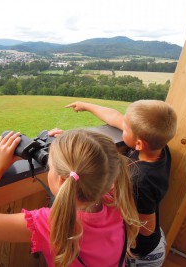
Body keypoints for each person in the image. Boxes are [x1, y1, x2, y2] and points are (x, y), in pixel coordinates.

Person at [0, 129, 140, 267]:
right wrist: (78, 149)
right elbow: (93, 168)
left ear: (61, 179)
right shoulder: (115, 198)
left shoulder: (50, 224)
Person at [65, 100, 177, 266]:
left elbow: (145, 229)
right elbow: (115, 116)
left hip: (140, 254)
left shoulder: (140, 181)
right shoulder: (158, 146)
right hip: (152, 243)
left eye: (125, 128)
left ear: (139, 143)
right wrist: (86, 106)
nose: (121, 126)